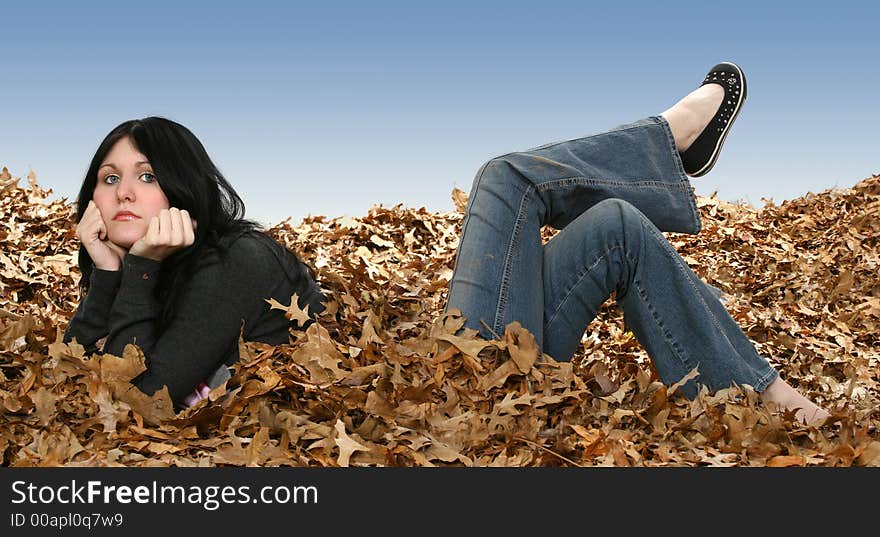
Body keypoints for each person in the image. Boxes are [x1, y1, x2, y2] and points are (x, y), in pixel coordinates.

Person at [445, 62, 830, 425]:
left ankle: (754, 391)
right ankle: (668, 137)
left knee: (618, 224)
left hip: (493, 372)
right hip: (468, 385)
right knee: (506, 178)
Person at [64, 117, 324, 409]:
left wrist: (141, 269)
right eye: (110, 178)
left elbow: (139, 403)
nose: (123, 193)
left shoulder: (235, 260)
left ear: (182, 186)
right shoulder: (155, 261)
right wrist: (106, 272)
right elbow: (69, 373)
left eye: (148, 176)